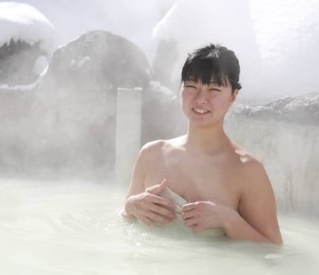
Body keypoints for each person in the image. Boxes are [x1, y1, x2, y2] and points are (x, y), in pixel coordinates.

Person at [121, 44, 283, 245]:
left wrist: (228, 220)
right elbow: (125, 223)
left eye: (213, 89)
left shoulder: (247, 170)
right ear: (180, 88)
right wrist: (131, 206)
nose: (200, 99)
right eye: (191, 87)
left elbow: (273, 249)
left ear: (234, 95)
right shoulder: (152, 154)